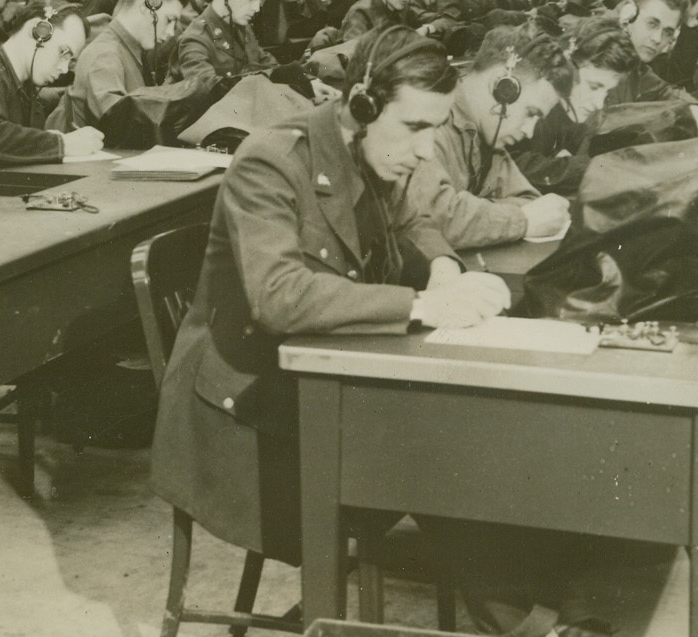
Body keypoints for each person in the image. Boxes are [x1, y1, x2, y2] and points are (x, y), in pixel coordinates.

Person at [150, 28, 510, 568]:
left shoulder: (373, 153)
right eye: (413, 127)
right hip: (246, 419)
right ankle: (536, 634)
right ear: (362, 106)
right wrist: (419, 307)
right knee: (448, 452)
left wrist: (442, 271)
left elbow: (415, 218)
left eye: (434, 129)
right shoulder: (270, 162)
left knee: (471, 434)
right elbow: (279, 296)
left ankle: (535, 628)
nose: (425, 150)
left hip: (314, 383)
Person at [407, 27, 575, 249]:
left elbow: (528, 199)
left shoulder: (486, 135)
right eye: (530, 113)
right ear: (503, 87)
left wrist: (475, 213)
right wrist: (520, 221)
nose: (529, 131)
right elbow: (433, 219)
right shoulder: (431, 121)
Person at [0, 4, 102, 189]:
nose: (63, 69)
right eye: (64, 53)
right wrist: (62, 144)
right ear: (38, 31)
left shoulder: (22, 85)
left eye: (70, 61)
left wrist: (48, 140)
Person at [61, 0, 208, 136]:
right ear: (147, 6)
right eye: (169, 20)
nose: (170, 32)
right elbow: (120, 124)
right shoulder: (105, 56)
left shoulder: (130, 49)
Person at [510, 20, 638, 196]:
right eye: (593, 87)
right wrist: (580, 167)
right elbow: (511, 165)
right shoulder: (527, 103)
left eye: (606, 91)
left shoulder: (579, 114)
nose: (598, 103)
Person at [172, 0, 278, 86]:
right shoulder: (195, 40)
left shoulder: (242, 27)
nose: (256, 8)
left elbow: (265, 61)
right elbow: (209, 88)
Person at [604, 0, 698, 106]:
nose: (657, 39)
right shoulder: (601, 54)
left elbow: (664, 91)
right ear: (628, 16)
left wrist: (696, 110)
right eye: (652, 24)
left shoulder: (637, 65)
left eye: (667, 32)